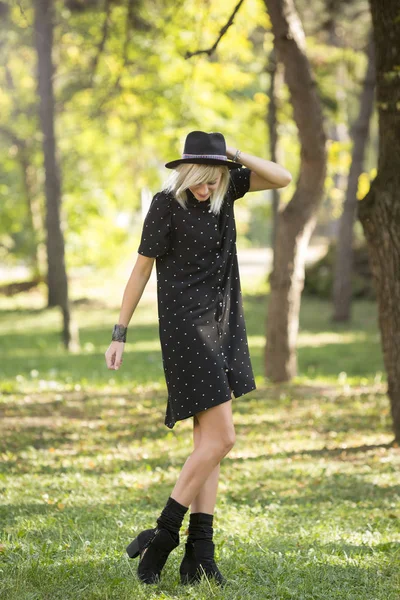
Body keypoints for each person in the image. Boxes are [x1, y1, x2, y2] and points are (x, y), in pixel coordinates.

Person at [104, 131, 291, 586]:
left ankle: (199, 555)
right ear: (184, 173)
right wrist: (120, 332)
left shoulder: (225, 192)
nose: (205, 189)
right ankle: (163, 535)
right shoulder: (165, 205)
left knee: (207, 446)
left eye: (213, 180)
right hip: (188, 330)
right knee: (223, 438)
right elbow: (141, 269)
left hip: (224, 325)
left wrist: (231, 156)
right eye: (198, 180)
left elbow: (283, 178)